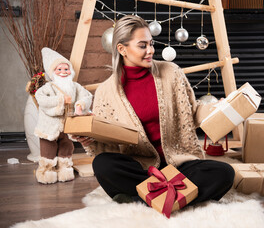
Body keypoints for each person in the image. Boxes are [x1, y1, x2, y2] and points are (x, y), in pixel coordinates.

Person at [74, 15, 234, 205]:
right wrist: (88, 139)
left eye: (151, 44)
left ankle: (143, 199)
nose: (150, 50)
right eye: (142, 45)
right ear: (122, 49)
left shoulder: (171, 72)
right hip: (141, 168)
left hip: (179, 165)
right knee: (103, 165)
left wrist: (218, 109)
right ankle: (174, 198)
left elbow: (193, 111)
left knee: (224, 173)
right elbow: (106, 146)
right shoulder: (106, 92)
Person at [34, 47, 93, 184]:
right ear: (53, 72)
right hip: (50, 127)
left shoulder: (75, 86)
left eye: (66, 69)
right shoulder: (48, 88)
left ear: (70, 71)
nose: (63, 72)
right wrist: (60, 100)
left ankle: (64, 170)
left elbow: (86, 95)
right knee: (48, 148)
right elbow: (41, 99)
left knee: (66, 148)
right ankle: (46, 173)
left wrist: (80, 105)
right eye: (59, 69)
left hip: (67, 125)